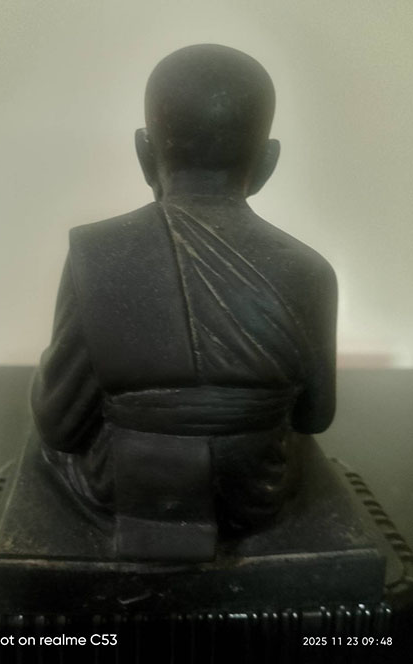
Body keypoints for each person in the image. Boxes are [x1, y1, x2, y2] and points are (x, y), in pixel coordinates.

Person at [31, 44, 337, 561]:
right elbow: (314, 419)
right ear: (267, 162)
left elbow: (59, 425)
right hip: (254, 497)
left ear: (144, 152)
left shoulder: (95, 253)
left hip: (126, 490)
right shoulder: (310, 271)